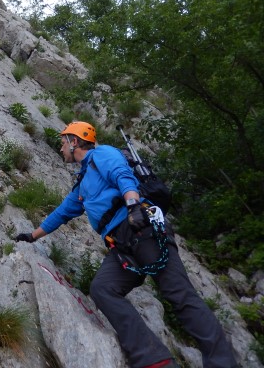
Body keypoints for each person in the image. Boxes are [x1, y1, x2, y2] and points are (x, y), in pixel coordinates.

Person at [15, 121, 237, 368]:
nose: (60, 148)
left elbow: (122, 175)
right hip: (121, 245)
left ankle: (223, 363)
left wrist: (133, 206)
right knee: (102, 288)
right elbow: (62, 213)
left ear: (74, 141)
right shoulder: (83, 183)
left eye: (62, 143)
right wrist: (32, 236)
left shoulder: (102, 154)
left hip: (140, 227)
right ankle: (155, 360)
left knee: (179, 295)